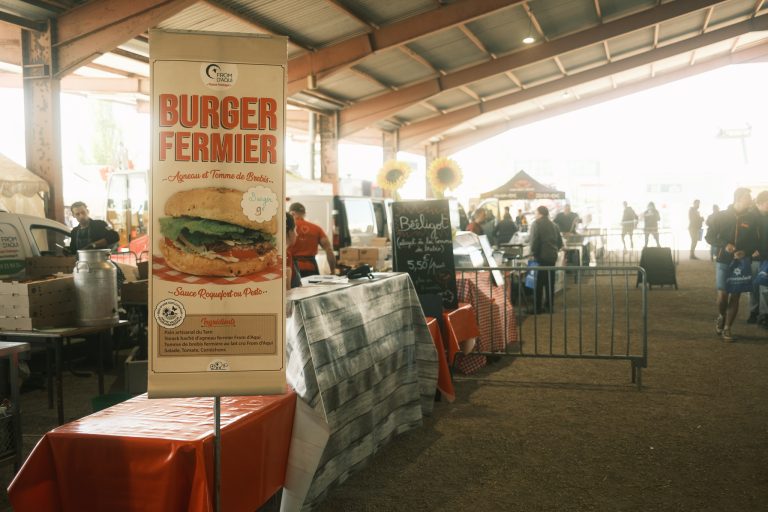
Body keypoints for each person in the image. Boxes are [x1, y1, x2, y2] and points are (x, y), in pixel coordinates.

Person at [705, 187, 759, 342]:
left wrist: (745, 252)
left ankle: (728, 327)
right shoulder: (721, 216)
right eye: (748, 197)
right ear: (739, 198)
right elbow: (709, 237)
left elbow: (755, 241)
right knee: (723, 295)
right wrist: (724, 245)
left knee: (736, 295)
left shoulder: (752, 218)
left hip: (742, 262)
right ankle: (721, 316)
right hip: (723, 260)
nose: (751, 200)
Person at [528, 205, 563, 314]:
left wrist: (532, 253)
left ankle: (537, 308)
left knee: (538, 283)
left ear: (540, 213)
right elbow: (560, 243)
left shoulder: (536, 224)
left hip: (540, 257)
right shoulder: (554, 225)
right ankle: (549, 306)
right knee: (550, 282)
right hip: (552, 257)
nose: (535, 214)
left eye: (535, 212)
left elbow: (534, 241)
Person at [288, 202, 336, 277]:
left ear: (291, 213)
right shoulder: (316, 228)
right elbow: (329, 250)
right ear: (304, 213)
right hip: (311, 268)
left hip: (292, 267)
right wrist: (333, 271)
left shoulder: (288, 228)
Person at [747, 191, 768, 327]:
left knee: (765, 286)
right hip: (754, 257)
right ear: (760, 202)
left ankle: (764, 314)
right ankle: (754, 311)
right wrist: (751, 249)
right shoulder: (750, 216)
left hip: (766, 257)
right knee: (754, 286)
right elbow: (745, 236)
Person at [285, 212, 301, 289]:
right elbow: (286, 289)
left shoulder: (286, 253)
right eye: (295, 230)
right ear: (289, 232)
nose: (296, 234)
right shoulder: (285, 256)